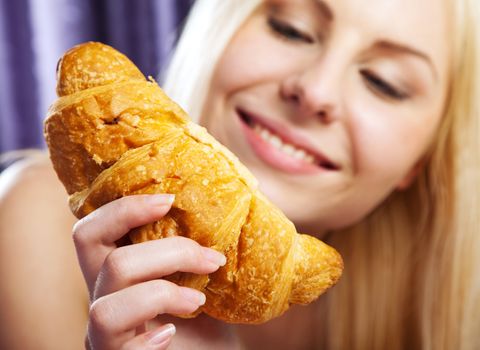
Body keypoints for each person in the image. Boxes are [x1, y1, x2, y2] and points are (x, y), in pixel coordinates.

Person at [0, 0, 479, 348]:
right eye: (292, 29)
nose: (314, 91)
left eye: (384, 83)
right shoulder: (32, 226)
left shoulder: (443, 319)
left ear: (418, 163)